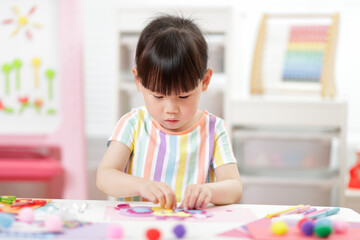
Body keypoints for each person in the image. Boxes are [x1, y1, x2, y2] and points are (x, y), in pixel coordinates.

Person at [96, 14, 242, 210]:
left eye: (183, 97)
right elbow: (104, 176)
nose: (171, 110)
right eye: (158, 96)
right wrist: (142, 185)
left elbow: (234, 187)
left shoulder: (215, 129)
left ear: (205, 81)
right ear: (138, 81)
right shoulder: (132, 123)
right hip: (139, 229)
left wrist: (209, 191)